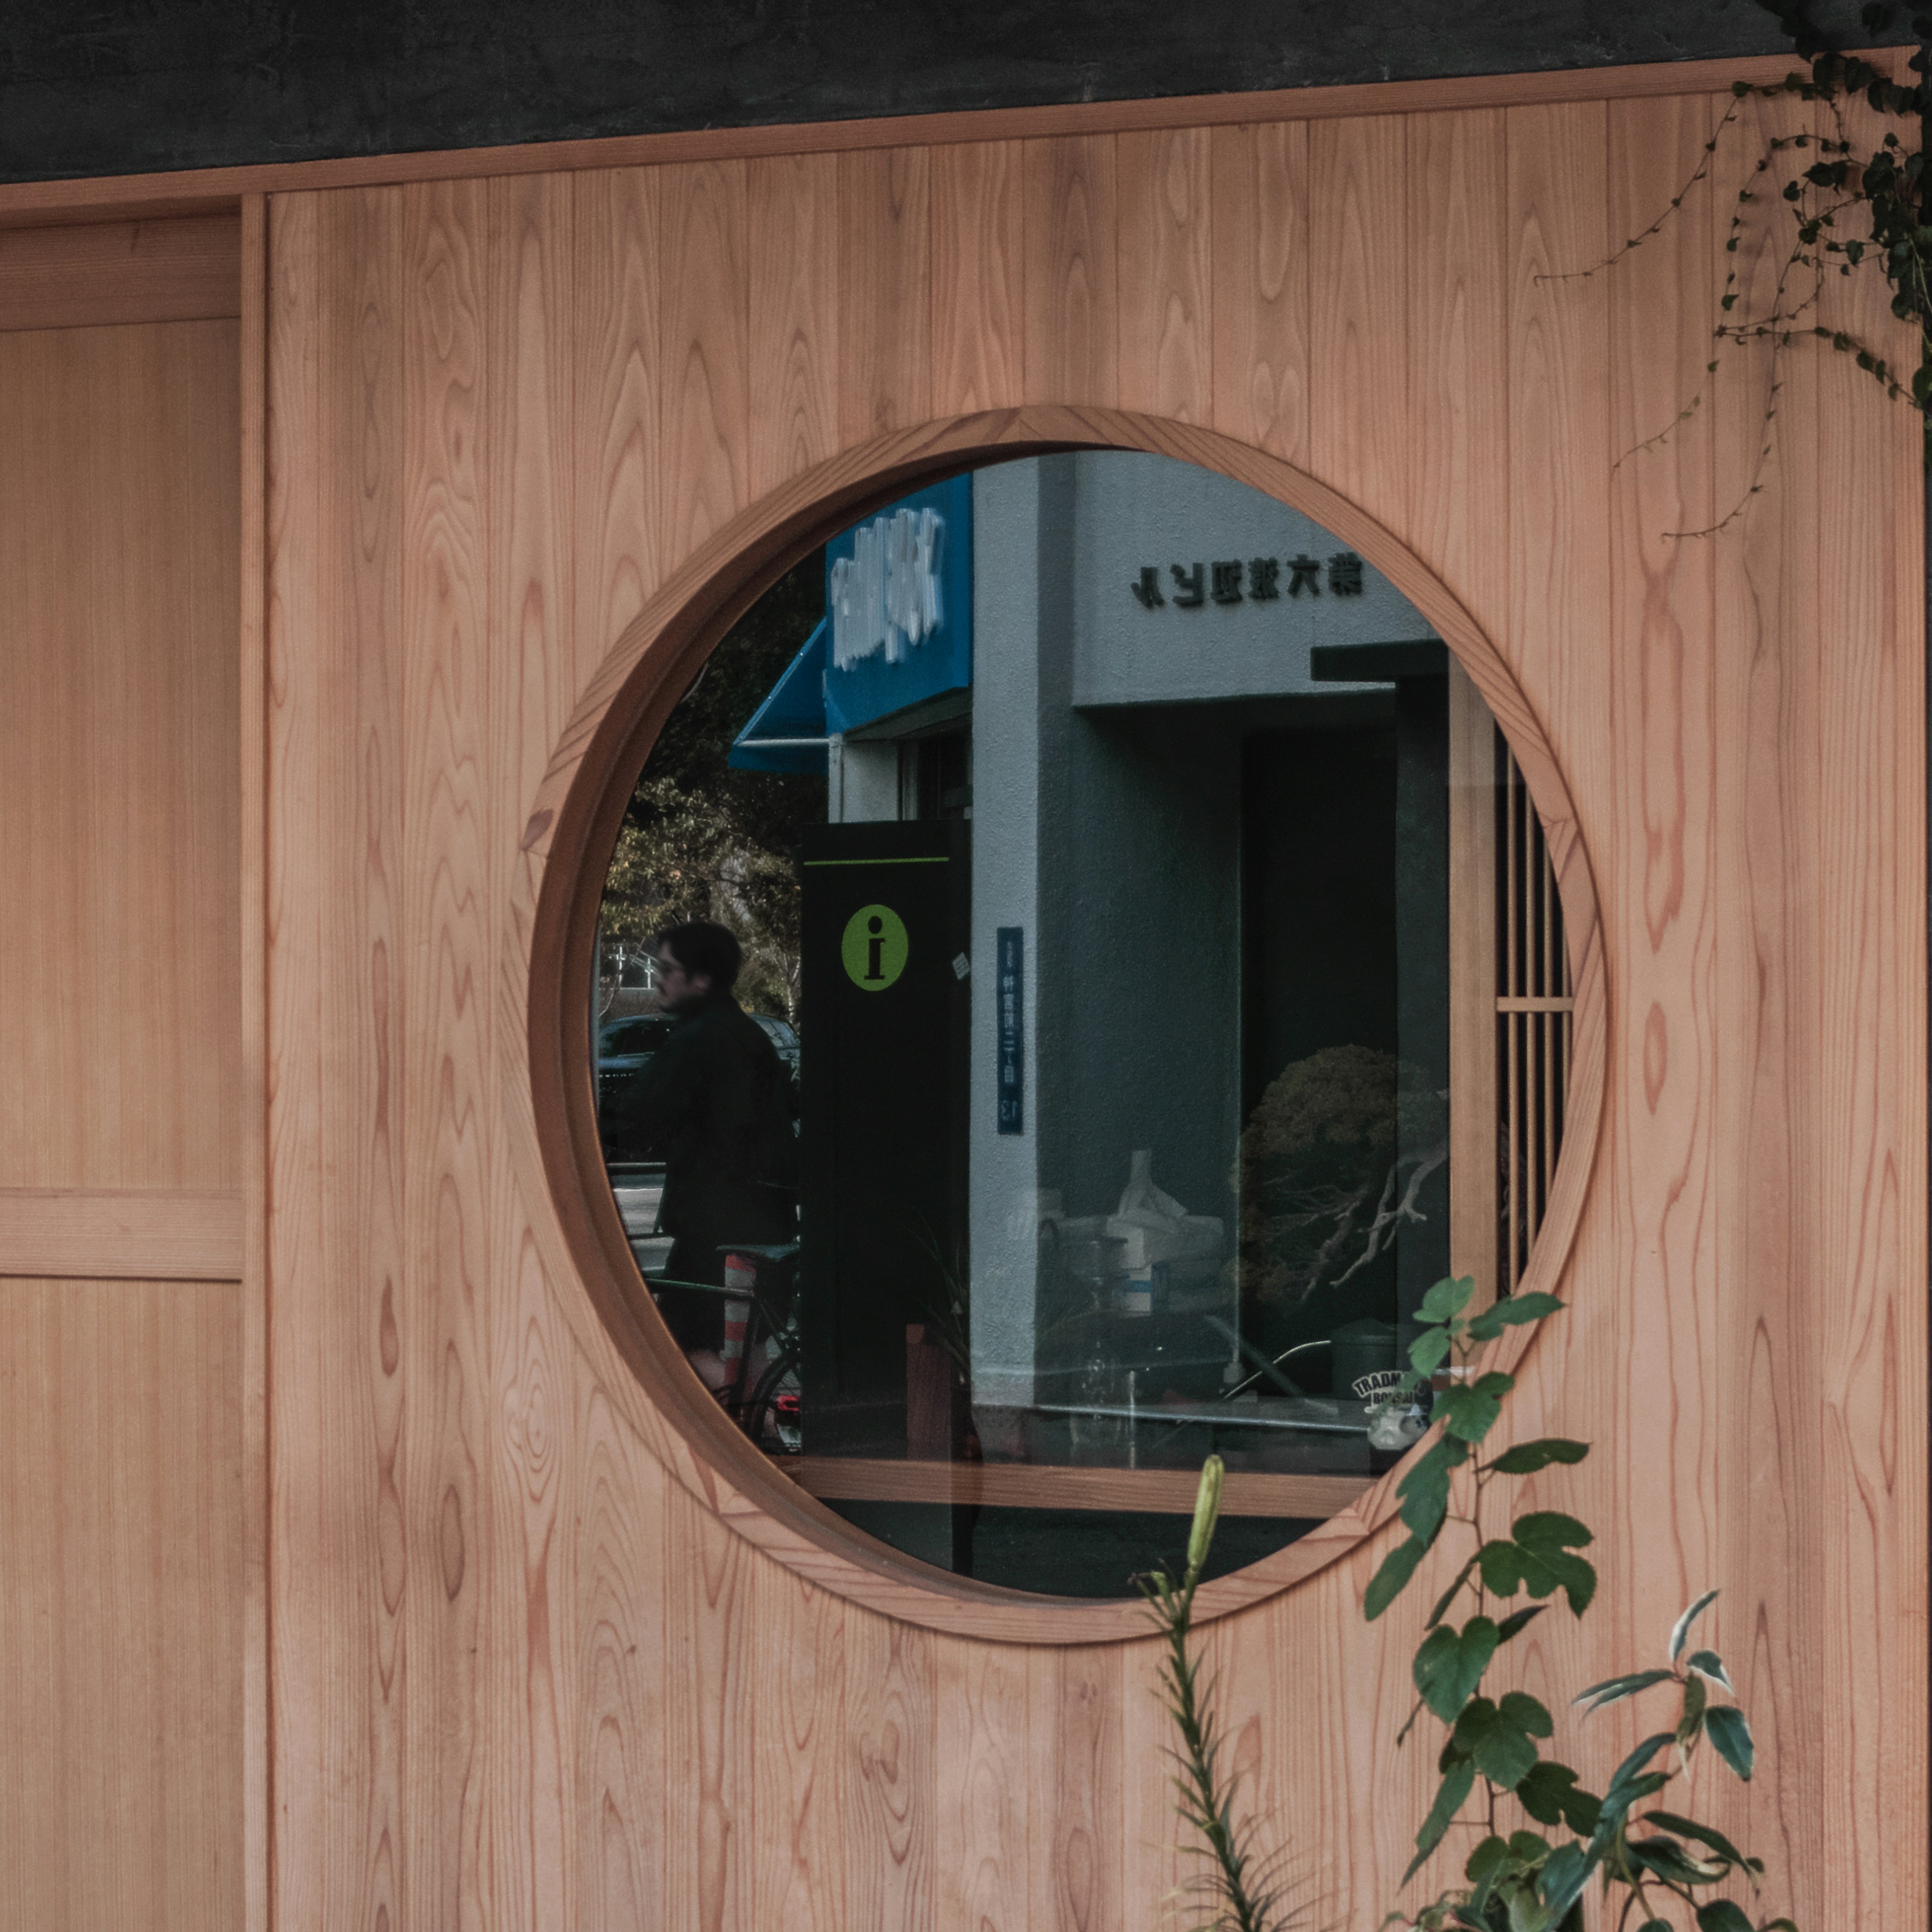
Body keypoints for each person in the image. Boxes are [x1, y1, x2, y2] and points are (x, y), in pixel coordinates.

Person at [617, 921, 795, 1392]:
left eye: (669, 969)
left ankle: (768, 1423)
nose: (659, 979)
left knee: (674, 1349)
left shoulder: (696, 1040)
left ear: (701, 980)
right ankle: (766, 1435)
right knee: (748, 1349)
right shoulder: (752, 1036)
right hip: (766, 1225)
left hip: (711, 1232)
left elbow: (639, 1117)